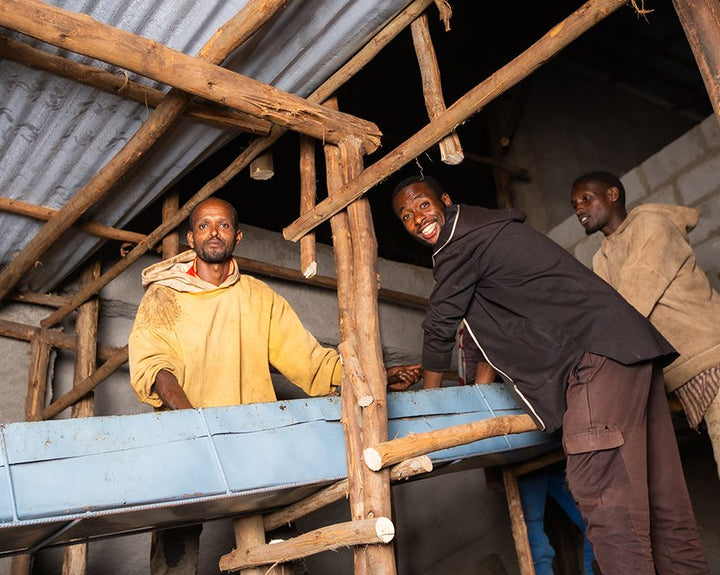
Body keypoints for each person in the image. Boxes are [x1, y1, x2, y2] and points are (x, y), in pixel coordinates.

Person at [391, 175, 708, 574]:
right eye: (406, 216)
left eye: (422, 205)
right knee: (663, 503)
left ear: (446, 201)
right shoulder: (487, 233)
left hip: (596, 359)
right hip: (631, 353)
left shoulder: (459, 243)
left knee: (601, 491)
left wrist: (430, 407)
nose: (418, 219)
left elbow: (438, 326)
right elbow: (489, 341)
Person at [129, 197, 420, 574]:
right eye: (204, 226)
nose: (213, 232)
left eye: (222, 225)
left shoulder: (257, 297)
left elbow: (310, 361)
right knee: (175, 554)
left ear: (238, 237)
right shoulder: (163, 296)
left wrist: (376, 377)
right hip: (184, 442)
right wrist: (193, 422)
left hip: (254, 444)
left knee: (278, 556)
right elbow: (154, 365)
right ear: (190, 238)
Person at [571, 171, 720, 477]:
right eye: (574, 204)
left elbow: (630, 304)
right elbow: (608, 319)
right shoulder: (602, 258)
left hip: (710, 356)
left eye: (586, 198)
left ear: (613, 194)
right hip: (687, 373)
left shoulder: (651, 224)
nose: (579, 209)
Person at [460, 327, 596, 575]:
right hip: (526, 447)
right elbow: (479, 394)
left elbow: (479, 392)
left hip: (543, 443)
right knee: (544, 538)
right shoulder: (474, 329)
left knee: (592, 523)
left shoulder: (486, 322)